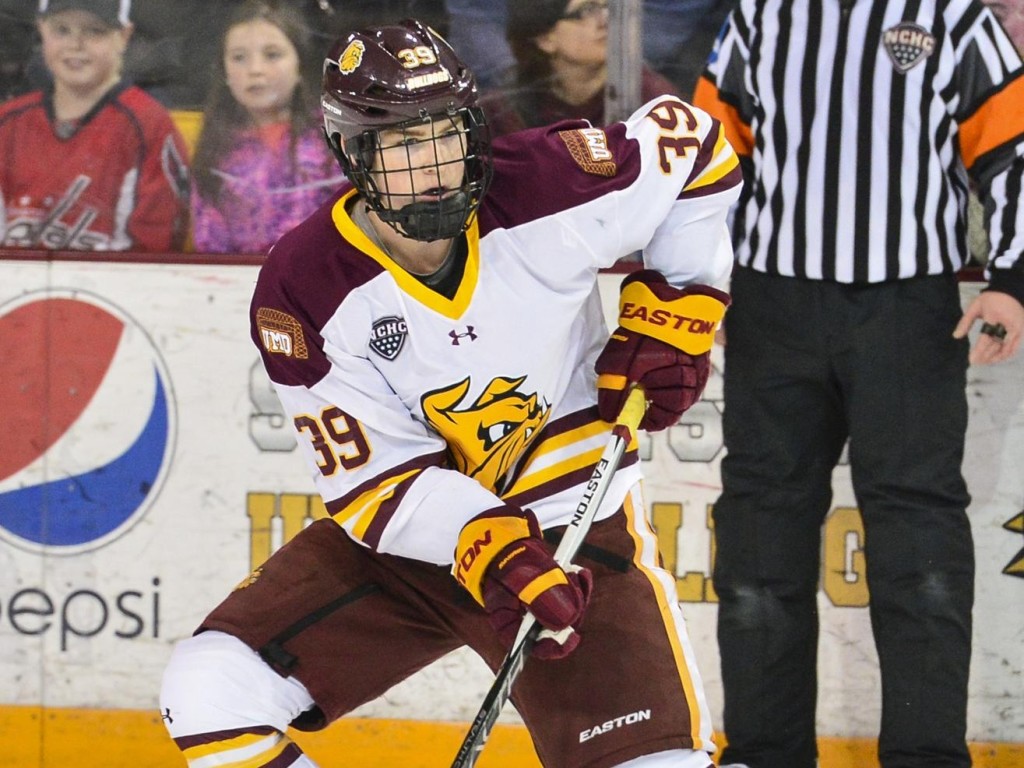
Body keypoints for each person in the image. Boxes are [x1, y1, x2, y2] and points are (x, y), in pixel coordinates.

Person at [160, 18, 744, 768]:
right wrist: (489, 547)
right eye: (404, 145)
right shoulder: (306, 286)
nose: (435, 166)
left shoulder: (547, 181)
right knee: (212, 690)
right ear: (353, 154)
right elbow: (377, 487)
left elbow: (692, 144)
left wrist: (677, 305)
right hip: (419, 548)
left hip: (572, 528)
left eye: (445, 134)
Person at [693, 0, 1024, 766]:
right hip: (772, 305)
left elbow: (1013, 146)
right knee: (758, 541)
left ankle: (927, 755)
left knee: (920, 543)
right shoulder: (761, 15)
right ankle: (763, 751)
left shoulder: (951, 15)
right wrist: (694, 277)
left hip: (909, 310)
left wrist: (1011, 277)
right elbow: (709, 154)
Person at [0, 0, 189, 251]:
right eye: (62, 30)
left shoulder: (148, 125)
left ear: (124, 36)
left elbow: (155, 246)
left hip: (115, 285)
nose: (75, 45)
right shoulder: (9, 122)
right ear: (41, 30)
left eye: (94, 31)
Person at [189, 1, 343, 254]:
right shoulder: (216, 147)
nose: (255, 70)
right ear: (224, 71)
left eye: (272, 55)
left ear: (300, 66)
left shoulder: (332, 140)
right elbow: (207, 240)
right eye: (239, 58)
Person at [487, 0, 682, 136]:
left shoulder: (654, 100)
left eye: (608, 6)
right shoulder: (504, 111)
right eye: (587, 10)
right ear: (545, 39)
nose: (605, 21)